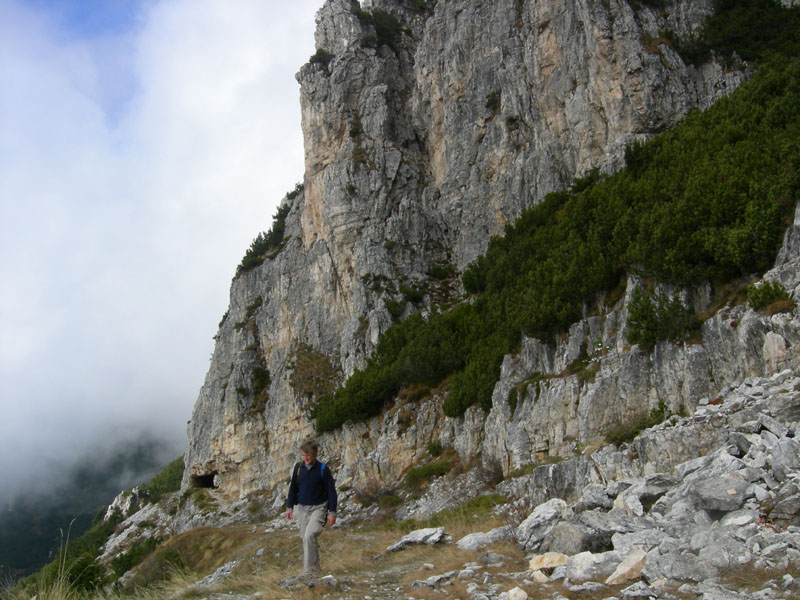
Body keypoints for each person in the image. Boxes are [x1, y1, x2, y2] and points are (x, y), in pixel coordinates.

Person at [286, 438, 338, 577]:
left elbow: (331, 491)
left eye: (308, 455)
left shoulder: (323, 469)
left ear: (314, 454)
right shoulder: (298, 468)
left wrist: (332, 512)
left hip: (319, 508)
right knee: (305, 538)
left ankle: (307, 572)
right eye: (303, 455)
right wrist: (289, 507)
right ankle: (316, 570)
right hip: (302, 509)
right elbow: (293, 488)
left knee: (310, 535)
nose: (305, 458)